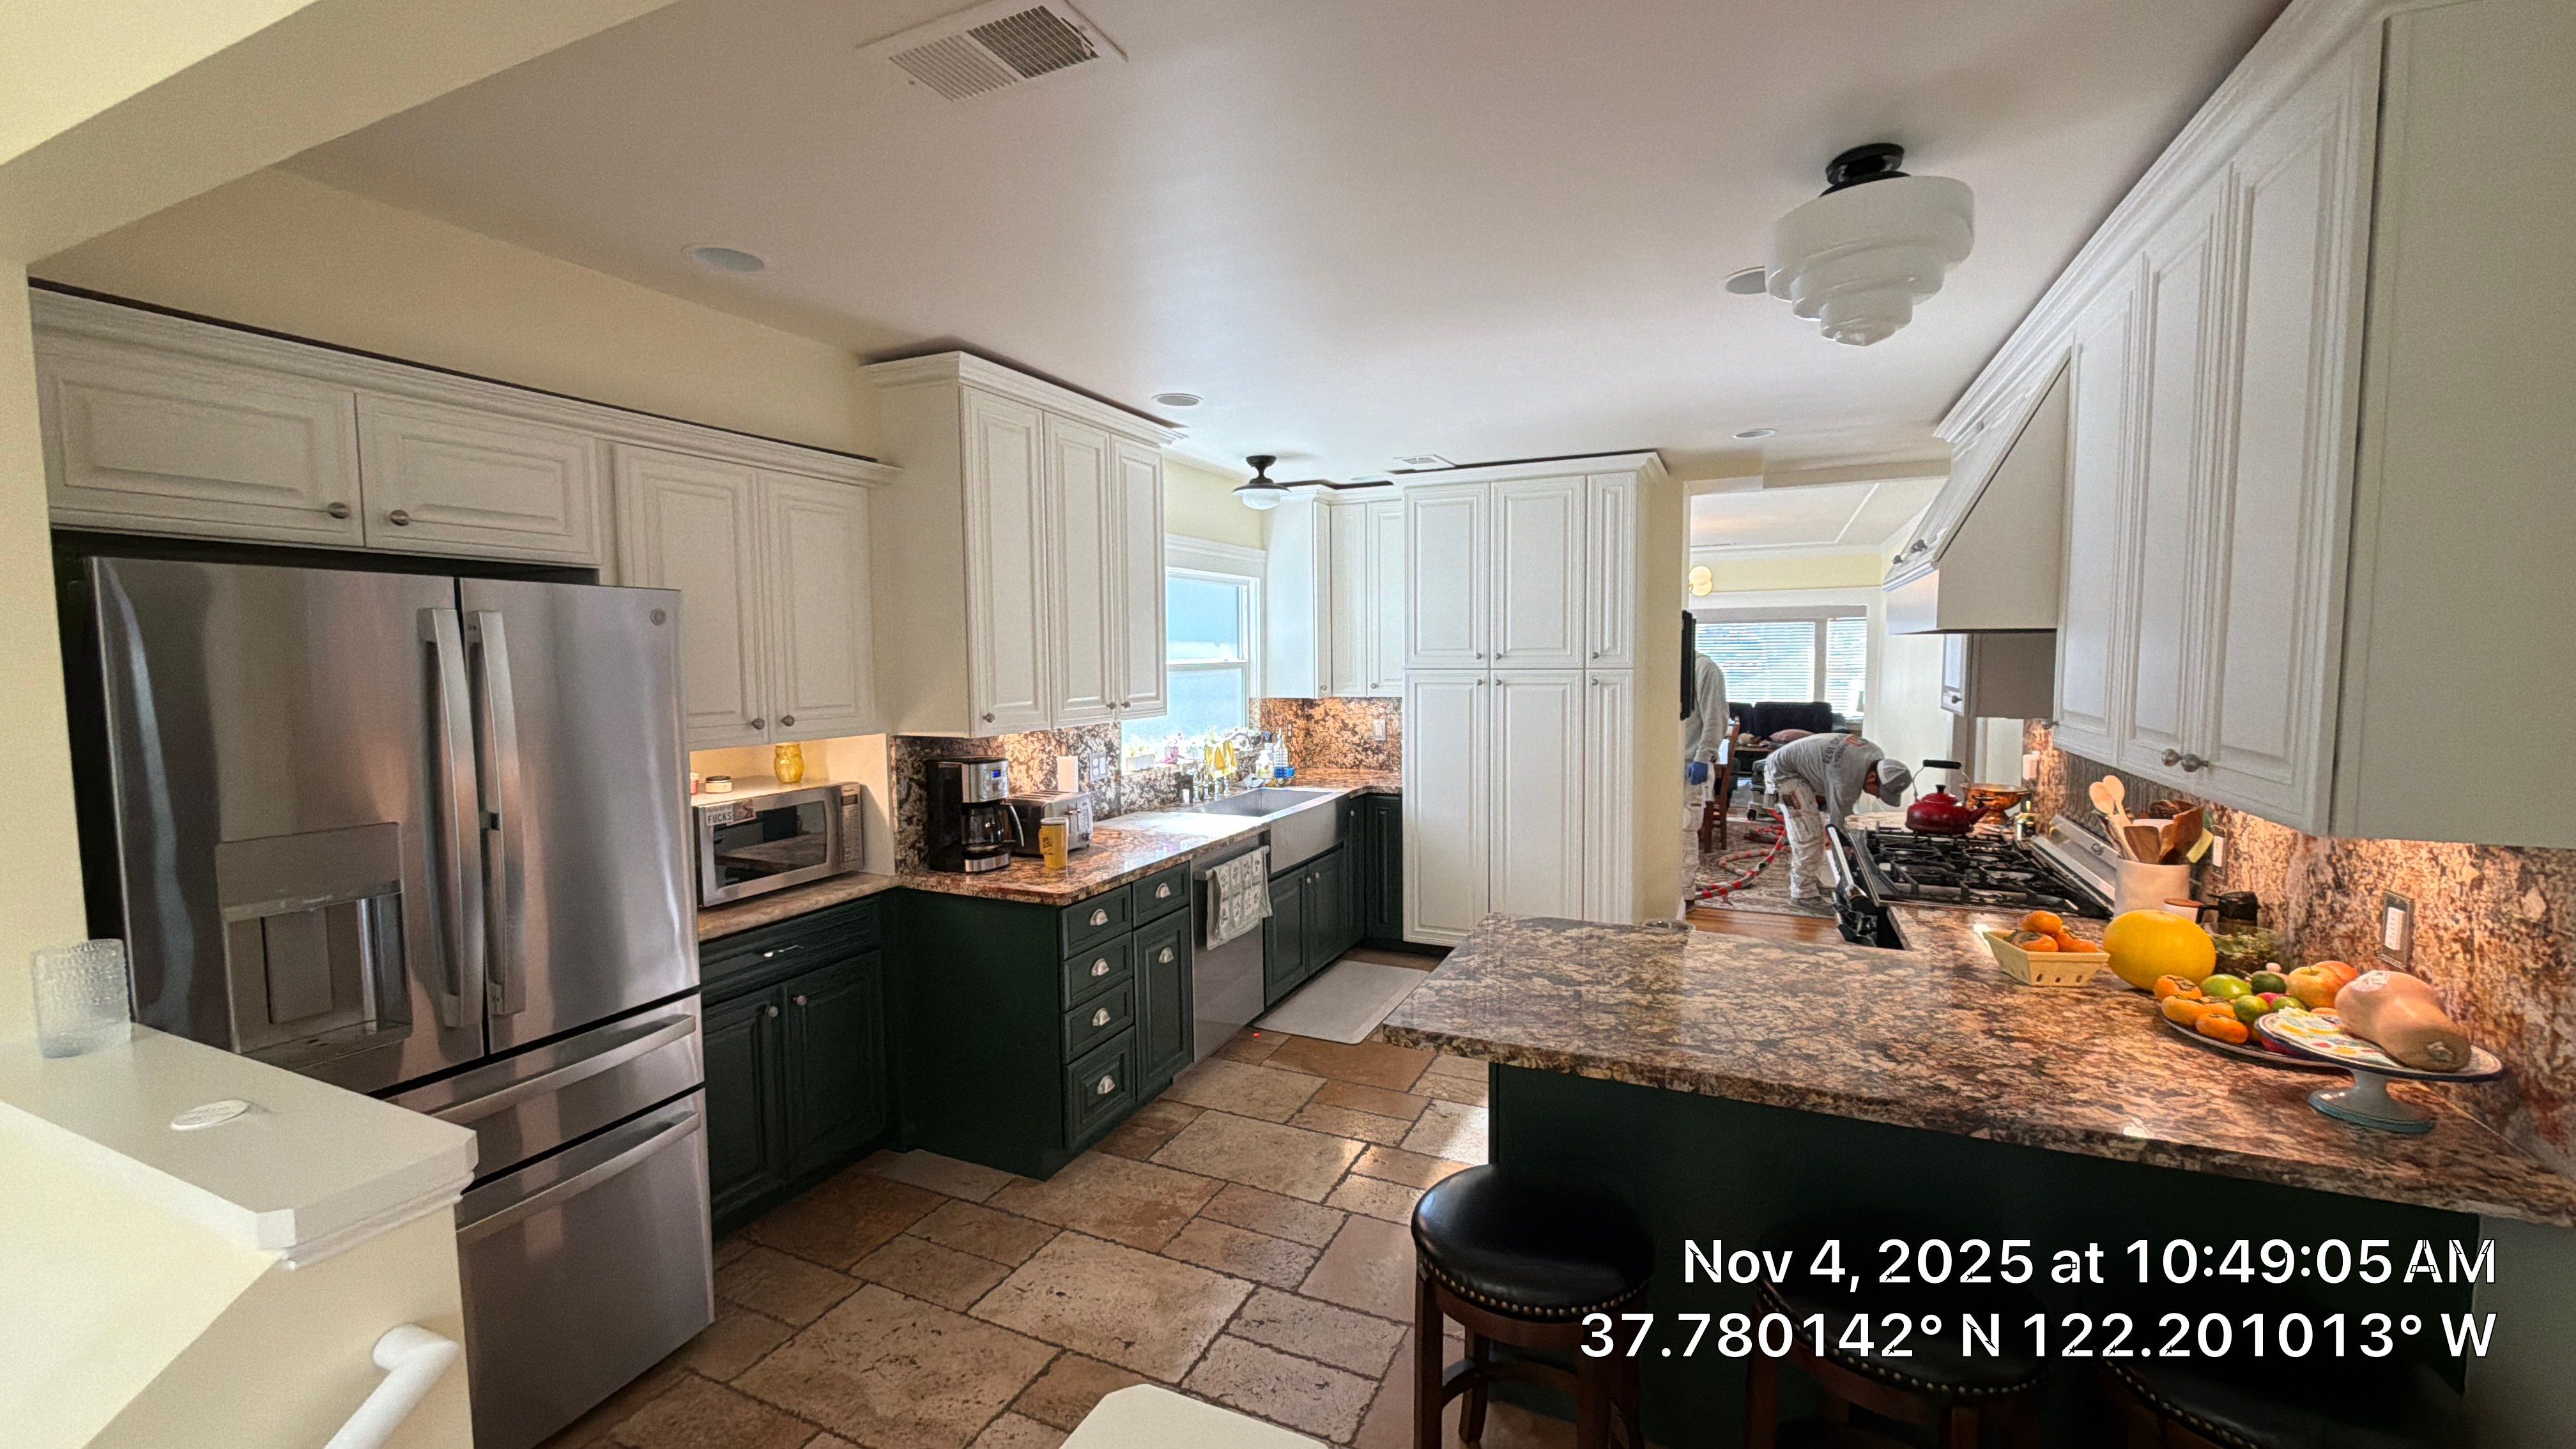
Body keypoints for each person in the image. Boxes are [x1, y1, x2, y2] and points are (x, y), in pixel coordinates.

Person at [1761, 732, 1913, 906]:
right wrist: (1848, 867)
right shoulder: (1847, 777)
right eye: (1880, 792)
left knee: (1814, 829)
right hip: (1784, 774)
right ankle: (1803, 894)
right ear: (1872, 777)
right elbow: (1837, 829)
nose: (1878, 797)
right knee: (1809, 836)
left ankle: (1810, 881)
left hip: (1798, 768)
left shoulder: (1875, 755)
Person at [1681, 651, 1730, 824]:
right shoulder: (1665, 667)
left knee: (1687, 827)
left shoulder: (1705, 669)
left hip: (1690, 763)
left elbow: (1715, 717)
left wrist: (1703, 757)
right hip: (1664, 765)